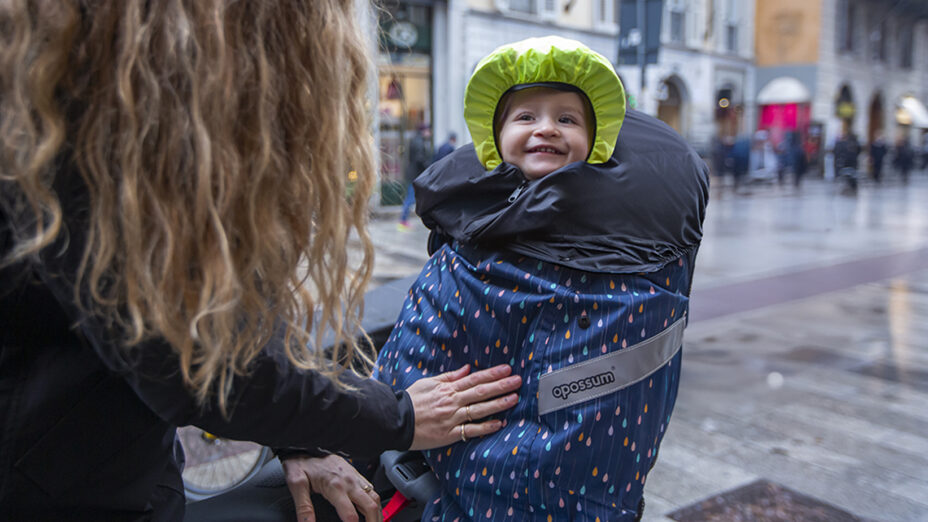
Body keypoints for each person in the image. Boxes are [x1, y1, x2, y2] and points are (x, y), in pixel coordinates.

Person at [0, 3, 522, 521]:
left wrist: (300, 441)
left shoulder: (124, 119)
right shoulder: (80, 131)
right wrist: (401, 416)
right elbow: (201, 363)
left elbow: (214, 318)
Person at [372, 36, 708, 521]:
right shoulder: (469, 246)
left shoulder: (642, 238)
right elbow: (417, 350)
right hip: (479, 488)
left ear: (599, 140)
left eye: (568, 119)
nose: (546, 128)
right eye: (526, 117)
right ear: (494, 137)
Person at [398, 124, 433, 230]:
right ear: (424, 131)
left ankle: (404, 220)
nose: (430, 133)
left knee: (413, 198)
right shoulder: (419, 142)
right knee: (410, 198)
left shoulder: (417, 140)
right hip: (416, 175)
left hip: (415, 174)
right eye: (428, 131)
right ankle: (403, 220)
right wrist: (429, 167)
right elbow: (419, 159)